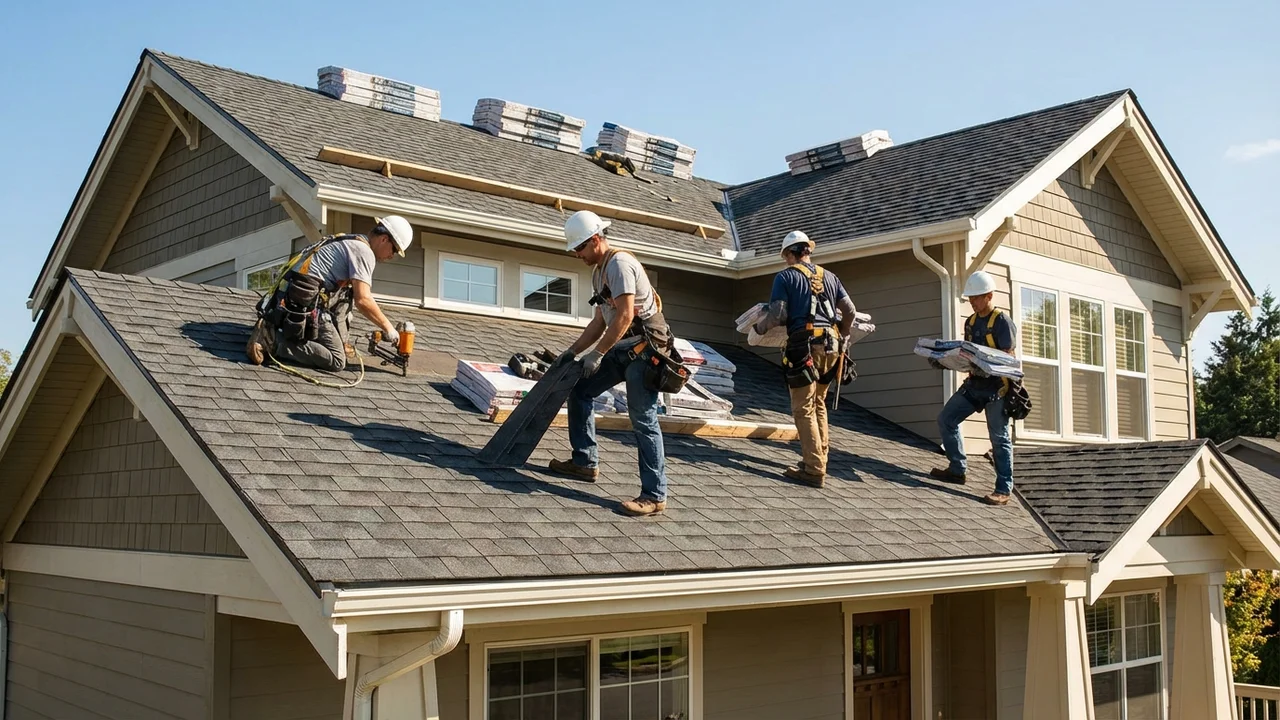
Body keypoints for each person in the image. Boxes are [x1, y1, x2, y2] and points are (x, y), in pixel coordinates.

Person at [547, 210, 673, 517]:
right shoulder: (598, 272)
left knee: (643, 418)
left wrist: (598, 354)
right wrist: (572, 352)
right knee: (581, 391)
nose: (577, 254)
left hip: (645, 348)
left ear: (594, 240)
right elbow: (600, 322)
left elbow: (627, 315)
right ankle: (584, 461)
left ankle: (655, 495)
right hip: (622, 345)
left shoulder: (619, 264)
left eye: (579, 248)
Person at [245, 216, 414, 372]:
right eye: (394, 250)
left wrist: (342, 340)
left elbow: (344, 302)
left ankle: (272, 330)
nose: (392, 256)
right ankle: (272, 342)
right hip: (306, 302)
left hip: (291, 299)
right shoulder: (364, 252)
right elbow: (363, 299)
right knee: (336, 360)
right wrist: (389, 328)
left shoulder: (352, 240)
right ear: (384, 239)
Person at [755, 230, 856, 488]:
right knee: (818, 402)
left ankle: (813, 469)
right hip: (832, 348)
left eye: (786, 256)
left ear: (790, 254)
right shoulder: (830, 277)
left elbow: (778, 314)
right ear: (808, 251)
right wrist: (842, 333)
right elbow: (850, 311)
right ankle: (819, 458)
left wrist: (758, 328)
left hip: (805, 347)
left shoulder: (785, 277)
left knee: (803, 408)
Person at [929, 270, 1018, 506]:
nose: (972, 302)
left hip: (997, 388)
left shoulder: (1001, 321)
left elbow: (1008, 358)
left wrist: (987, 367)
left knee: (999, 438)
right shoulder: (970, 321)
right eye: (970, 299)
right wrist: (944, 360)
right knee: (946, 419)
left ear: (989, 296)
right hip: (975, 384)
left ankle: (1003, 489)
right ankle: (957, 469)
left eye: (976, 298)